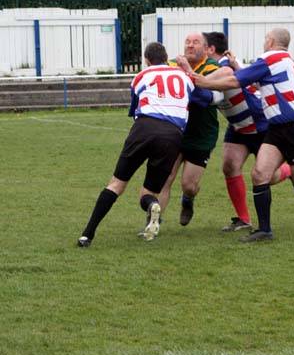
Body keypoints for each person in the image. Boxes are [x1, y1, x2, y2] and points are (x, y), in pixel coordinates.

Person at [194, 28, 294, 243]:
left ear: (270, 41)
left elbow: (234, 82)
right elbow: (257, 82)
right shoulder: (283, 59)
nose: (264, 42)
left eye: (265, 38)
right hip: (276, 128)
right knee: (259, 174)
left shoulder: (270, 58)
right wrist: (238, 66)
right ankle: (264, 230)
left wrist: (201, 81)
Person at [77, 41, 201, 246]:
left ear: (146, 60)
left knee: (116, 184)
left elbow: (134, 110)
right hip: (173, 135)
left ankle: (87, 234)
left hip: (145, 127)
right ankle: (153, 204)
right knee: (148, 192)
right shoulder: (184, 77)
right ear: (166, 57)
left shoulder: (141, 76)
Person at [203, 31, 291, 232]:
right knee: (229, 166)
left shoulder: (225, 65)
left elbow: (219, 79)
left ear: (210, 49)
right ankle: (244, 219)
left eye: (197, 43)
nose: (191, 47)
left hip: (258, 123)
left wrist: (194, 81)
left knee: (269, 176)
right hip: (238, 126)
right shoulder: (216, 66)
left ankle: (289, 170)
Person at [157, 32, 220, 226]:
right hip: (175, 133)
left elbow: (204, 96)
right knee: (165, 179)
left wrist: (187, 72)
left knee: (189, 185)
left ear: (206, 48)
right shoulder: (172, 66)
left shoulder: (212, 68)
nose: (190, 46)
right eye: (187, 42)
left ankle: (188, 199)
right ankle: (153, 223)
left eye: (195, 42)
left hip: (201, 135)